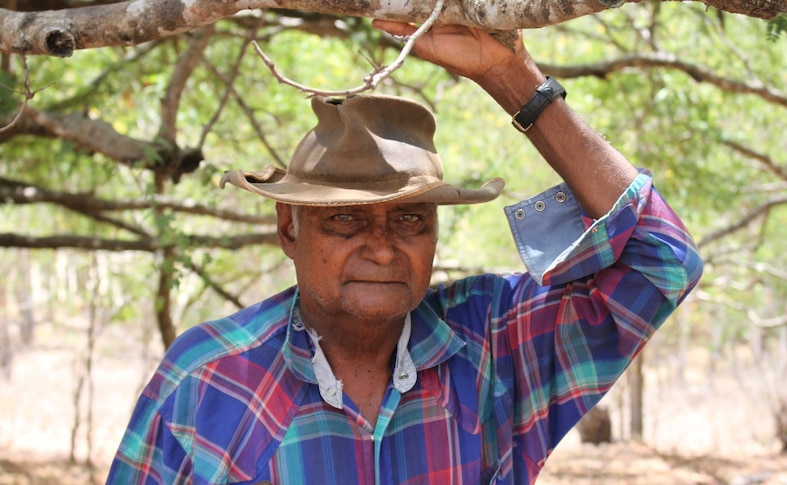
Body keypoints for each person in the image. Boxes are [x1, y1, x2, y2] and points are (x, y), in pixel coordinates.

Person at [107, 20, 702, 484]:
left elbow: (662, 259)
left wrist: (511, 77)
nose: (385, 250)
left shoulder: (493, 344)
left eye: (411, 219)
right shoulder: (210, 377)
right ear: (289, 229)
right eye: (345, 220)